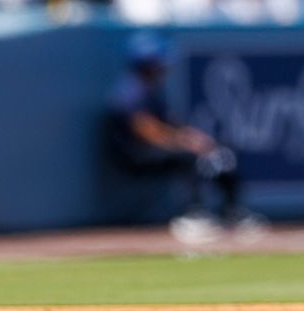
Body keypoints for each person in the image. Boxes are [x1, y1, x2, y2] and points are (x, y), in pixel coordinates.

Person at [106, 32, 260, 243]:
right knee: (189, 156)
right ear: (147, 64)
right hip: (136, 155)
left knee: (223, 153)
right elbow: (148, 132)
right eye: (159, 64)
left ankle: (232, 211)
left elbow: (175, 125)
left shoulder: (154, 92)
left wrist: (200, 141)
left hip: (160, 150)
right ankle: (193, 215)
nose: (163, 69)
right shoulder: (130, 92)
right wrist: (185, 143)